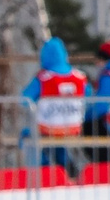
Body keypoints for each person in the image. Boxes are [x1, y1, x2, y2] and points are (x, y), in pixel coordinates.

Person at [23, 36, 88, 179]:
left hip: (47, 128)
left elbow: (25, 98)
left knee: (27, 137)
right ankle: (70, 171)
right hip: (72, 128)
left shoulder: (44, 78)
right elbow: (89, 96)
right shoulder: (78, 77)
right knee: (59, 147)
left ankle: (42, 171)